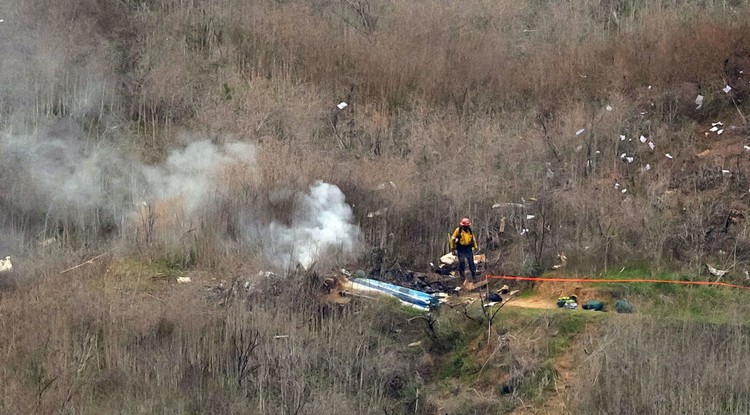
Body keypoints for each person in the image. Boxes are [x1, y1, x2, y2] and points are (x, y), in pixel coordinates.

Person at [449, 217, 478, 285]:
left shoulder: (469, 231)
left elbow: (473, 239)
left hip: (468, 248)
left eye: (467, 226)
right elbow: (452, 239)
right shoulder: (458, 230)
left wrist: (475, 246)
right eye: (465, 226)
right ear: (462, 225)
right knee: (462, 262)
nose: (466, 227)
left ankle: (474, 277)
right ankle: (462, 278)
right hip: (460, 248)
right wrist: (452, 248)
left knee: (471, 262)